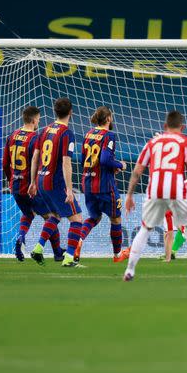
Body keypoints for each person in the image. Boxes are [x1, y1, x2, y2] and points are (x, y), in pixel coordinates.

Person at [122, 110, 187, 281]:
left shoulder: (152, 143)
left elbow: (138, 170)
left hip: (155, 190)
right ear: (182, 127)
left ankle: (129, 271)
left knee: (145, 229)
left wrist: (129, 195)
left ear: (165, 126)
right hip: (176, 190)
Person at [3, 105, 64, 262]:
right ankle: (55, 252)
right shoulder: (35, 138)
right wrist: (35, 183)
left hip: (15, 187)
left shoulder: (12, 136)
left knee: (28, 214)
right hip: (31, 186)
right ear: (34, 119)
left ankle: (21, 238)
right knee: (54, 215)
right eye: (39, 119)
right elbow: (38, 163)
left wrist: (11, 180)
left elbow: (5, 163)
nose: (39, 121)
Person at [27, 97, 84, 268]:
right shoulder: (67, 133)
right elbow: (66, 162)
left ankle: (38, 248)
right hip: (55, 181)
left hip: (41, 179)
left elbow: (35, 157)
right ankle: (68, 258)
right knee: (77, 219)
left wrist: (32, 182)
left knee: (55, 215)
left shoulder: (44, 130)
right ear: (71, 112)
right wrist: (68, 188)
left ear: (55, 112)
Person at [74, 106, 129, 263]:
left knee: (94, 217)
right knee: (116, 220)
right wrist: (120, 165)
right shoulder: (109, 135)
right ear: (108, 119)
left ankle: (79, 240)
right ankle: (118, 256)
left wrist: (111, 168)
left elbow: (84, 160)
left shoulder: (88, 134)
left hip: (88, 183)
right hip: (104, 186)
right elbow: (105, 160)